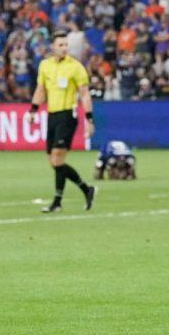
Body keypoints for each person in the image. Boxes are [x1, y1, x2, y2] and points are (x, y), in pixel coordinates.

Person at [29, 30, 97, 213]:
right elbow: (41, 89)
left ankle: (57, 201)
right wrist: (33, 110)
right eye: (60, 45)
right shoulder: (45, 66)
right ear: (52, 46)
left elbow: (84, 94)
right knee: (53, 161)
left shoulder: (75, 67)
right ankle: (86, 189)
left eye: (66, 45)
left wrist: (89, 119)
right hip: (52, 115)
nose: (64, 48)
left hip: (68, 115)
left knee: (58, 159)